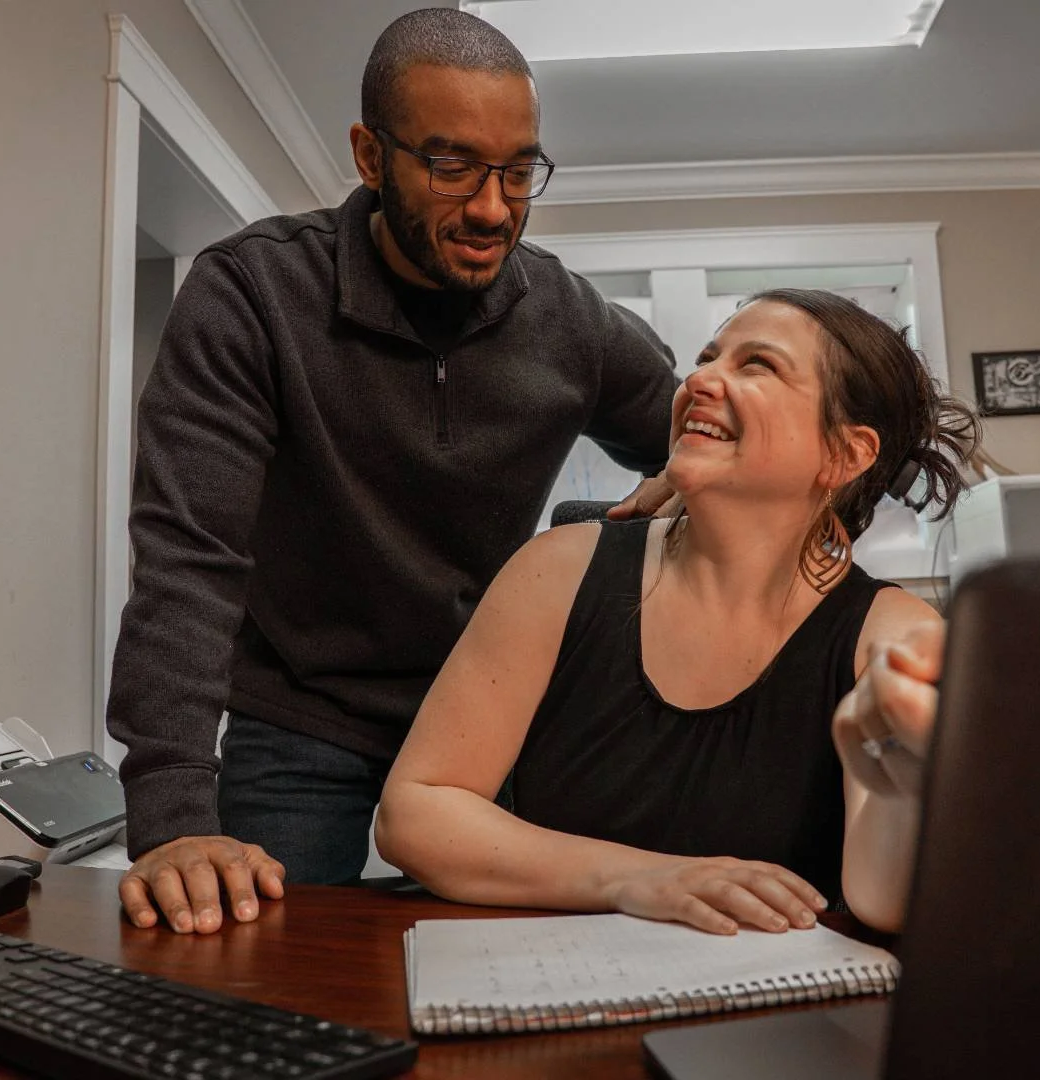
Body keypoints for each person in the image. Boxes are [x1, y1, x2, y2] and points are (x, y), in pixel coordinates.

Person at [111, 8, 680, 935]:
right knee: (259, 976)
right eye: (452, 165)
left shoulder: (572, 322)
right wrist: (173, 813)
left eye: (519, 169)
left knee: (539, 970)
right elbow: (189, 557)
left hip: (494, 717)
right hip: (301, 715)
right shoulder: (254, 297)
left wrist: (693, 477)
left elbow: (698, 428)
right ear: (372, 157)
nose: (494, 206)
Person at [375, 289, 979, 933]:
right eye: (707, 358)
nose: (698, 380)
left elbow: (887, 904)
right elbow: (415, 813)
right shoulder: (557, 571)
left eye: (757, 366)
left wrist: (894, 776)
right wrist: (644, 878)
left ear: (846, 454)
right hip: (549, 987)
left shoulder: (893, 637)